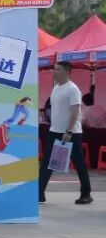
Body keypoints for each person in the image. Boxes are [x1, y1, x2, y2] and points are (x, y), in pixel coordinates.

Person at [40, 61, 93, 205]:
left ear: (67, 72)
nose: (55, 72)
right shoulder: (56, 88)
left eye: (58, 69)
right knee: (47, 162)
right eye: (54, 69)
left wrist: (68, 130)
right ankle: (39, 193)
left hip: (71, 133)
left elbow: (75, 112)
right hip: (54, 131)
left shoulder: (73, 89)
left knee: (78, 163)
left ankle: (86, 193)